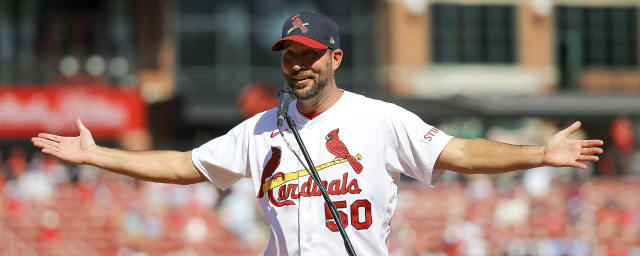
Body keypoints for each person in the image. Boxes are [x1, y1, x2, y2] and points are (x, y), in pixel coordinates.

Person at [32, 10, 603, 256]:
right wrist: (99, 155)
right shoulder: (261, 130)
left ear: (334, 58)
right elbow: (185, 166)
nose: (298, 65)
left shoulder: (379, 119)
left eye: (309, 55)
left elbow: (459, 153)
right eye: (289, 56)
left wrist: (541, 154)